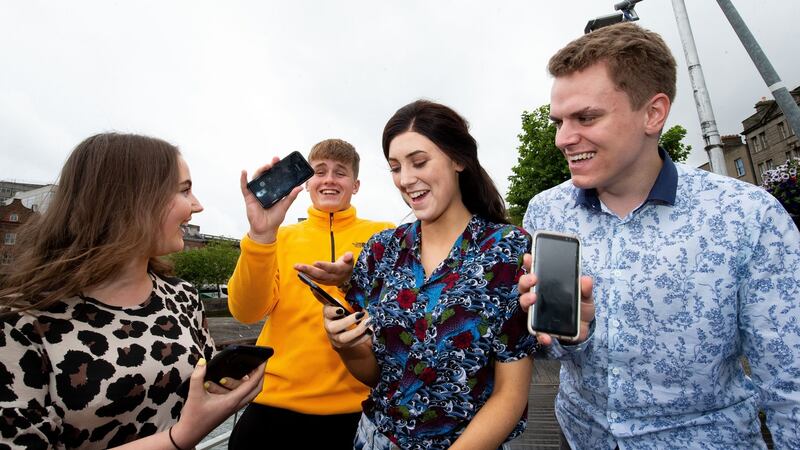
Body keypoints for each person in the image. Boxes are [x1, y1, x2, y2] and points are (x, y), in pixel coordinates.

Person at [518, 23, 800, 449]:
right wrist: (570, 336)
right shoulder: (546, 211)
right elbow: (547, 350)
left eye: (587, 117)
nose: (563, 139)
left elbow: (790, 382)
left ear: (653, 113)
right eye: (559, 120)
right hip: (578, 437)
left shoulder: (749, 217)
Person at [0, 133, 265, 449]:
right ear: (132, 199)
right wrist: (178, 439)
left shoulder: (182, 297)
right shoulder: (20, 322)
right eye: (184, 190)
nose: (198, 205)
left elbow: (203, 383)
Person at [322, 100, 538, 450]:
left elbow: (510, 394)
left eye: (419, 162)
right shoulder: (380, 250)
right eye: (395, 168)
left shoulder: (509, 250)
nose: (406, 180)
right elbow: (376, 375)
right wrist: (345, 347)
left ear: (459, 159)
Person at [226, 139, 394, 449]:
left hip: (359, 410)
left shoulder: (384, 234)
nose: (329, 179)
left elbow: (401, 313)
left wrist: (353, 282)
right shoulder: (279, 236)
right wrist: (260, 238)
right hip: (274, 405)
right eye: (319, 171)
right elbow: (246, 312)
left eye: (340, 173)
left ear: (355, 185)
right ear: (307, 183)